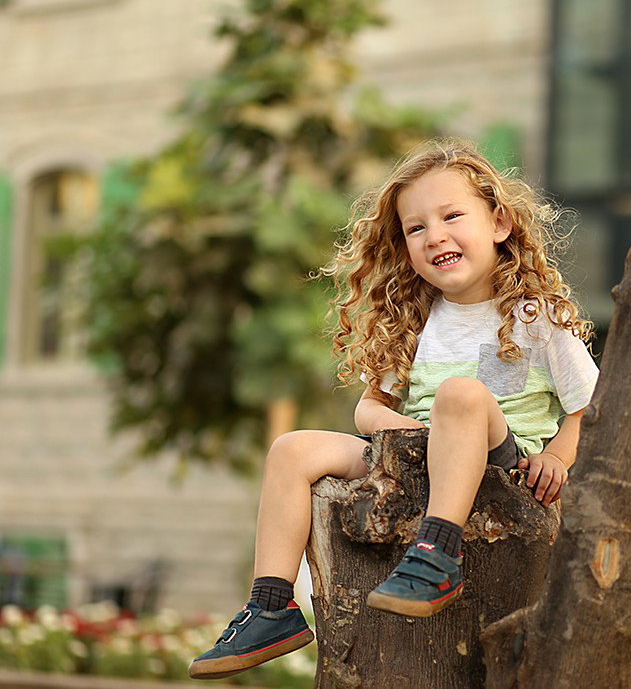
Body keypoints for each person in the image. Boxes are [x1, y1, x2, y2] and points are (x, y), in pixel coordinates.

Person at [188, 138, 599, 680]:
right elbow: (369, 409)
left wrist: (561, 459)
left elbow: (590, 406)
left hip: (501, 464)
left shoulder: (534, 316)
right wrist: (413, 436)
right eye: (416, 228)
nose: (436, 236)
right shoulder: (418, 318)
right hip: (416, 453)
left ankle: (438, 555)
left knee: (461, 395)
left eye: (452, 216)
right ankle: (271, 606)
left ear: (499, 224)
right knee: (293, 449)